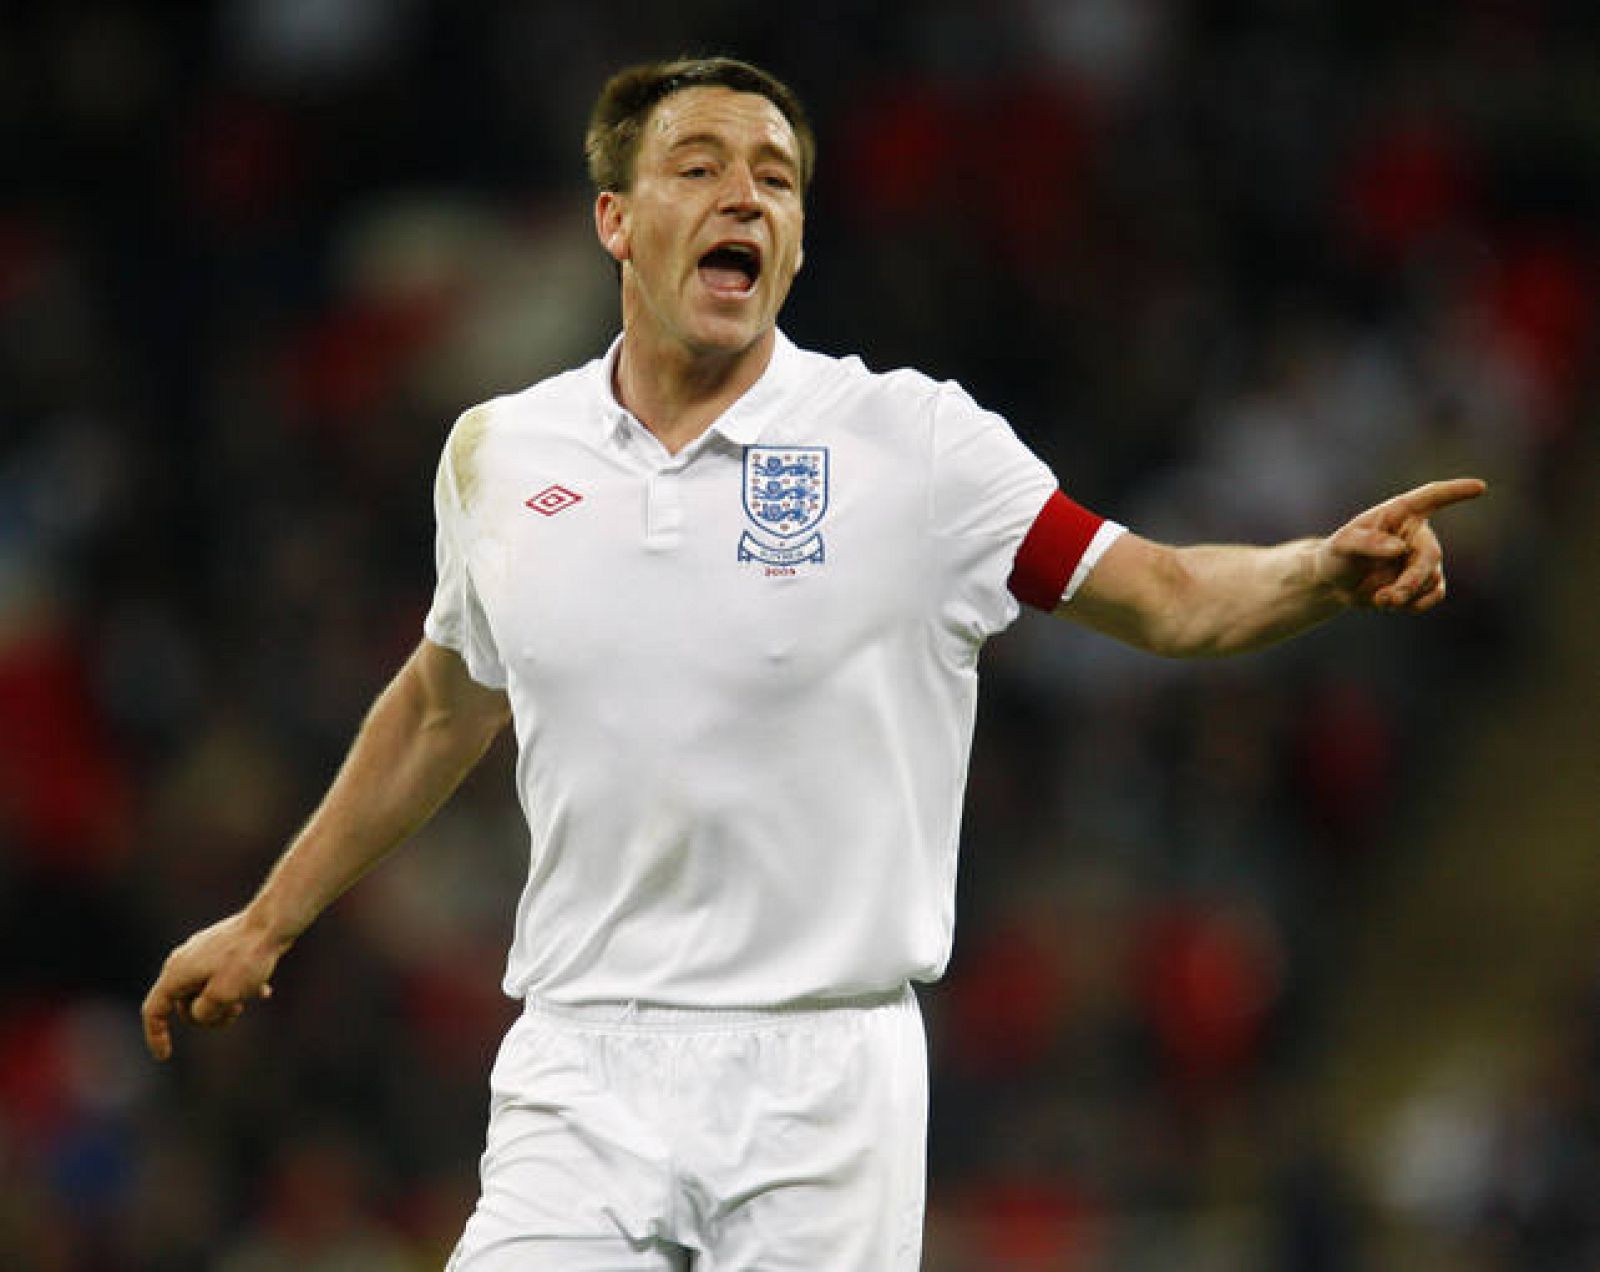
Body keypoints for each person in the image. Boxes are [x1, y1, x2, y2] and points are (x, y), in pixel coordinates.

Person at [141, 56, 1485, 1270]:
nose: (745, 195)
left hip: (823, 1073)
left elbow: (1172, 598)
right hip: (581, 1057)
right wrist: (269, 920)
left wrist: (1318, 570)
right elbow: (445, 697)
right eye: (700, 167)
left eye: (774, 178)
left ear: (792, 243)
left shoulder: (917, 446)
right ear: (615, 219)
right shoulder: (501, 453)